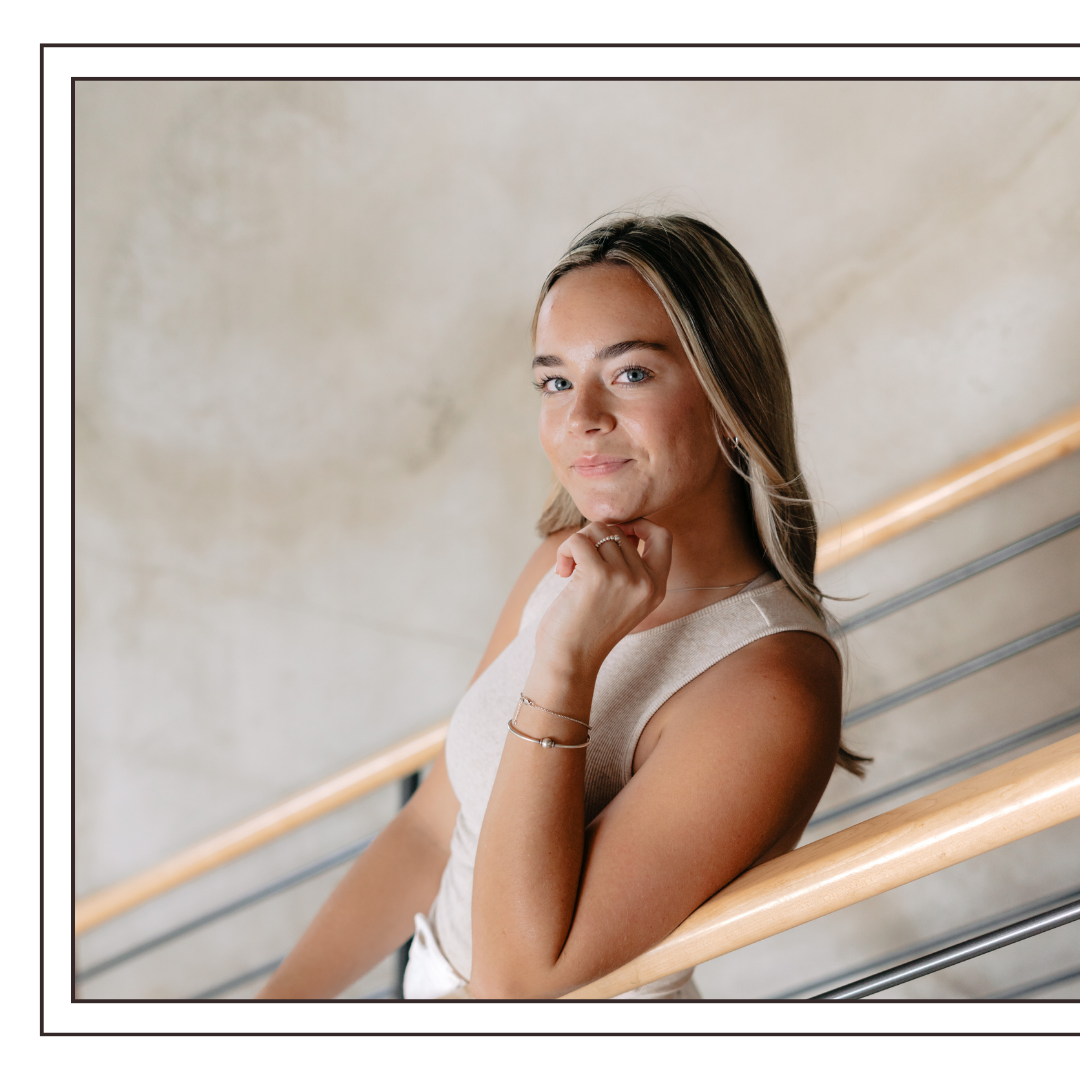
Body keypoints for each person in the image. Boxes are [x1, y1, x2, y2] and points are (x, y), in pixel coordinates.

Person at [258, 214, 867, 1001]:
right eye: (554, 381)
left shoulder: (770, 681)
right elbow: (431, 829)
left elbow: (519, 987)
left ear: (728, 392)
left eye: (631, 373)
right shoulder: (560, 563)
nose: (580, 416)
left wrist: (567, 663)